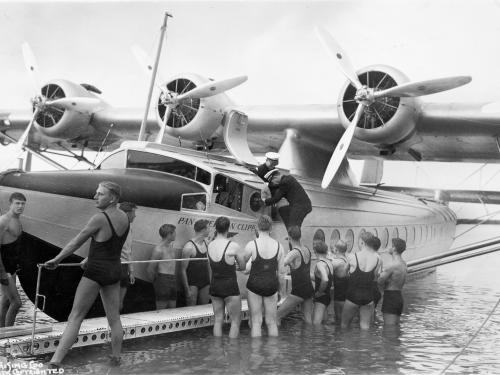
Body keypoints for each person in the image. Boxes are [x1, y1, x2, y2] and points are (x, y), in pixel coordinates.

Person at [44, 181, 129, 367]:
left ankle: (55, 361)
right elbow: (108, 244)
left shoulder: (99, 218)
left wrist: (56, 260)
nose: (95, 197)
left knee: (75, 317)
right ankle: (116, 358)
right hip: (115, 270)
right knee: (114, 318)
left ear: (113, 198)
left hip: (96, 271)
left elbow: (76, 242)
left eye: (100, 194)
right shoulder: (124, 217)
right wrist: (90, 257)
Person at [243, 215, 285, 337]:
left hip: (254, 284)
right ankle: (273, 353)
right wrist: (280, 291)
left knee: (256, 322)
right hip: (271, 285)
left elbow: (242, 265)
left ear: (257, 227)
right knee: (271, 322)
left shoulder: (251, 244)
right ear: (271, 228)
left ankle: (256, 355)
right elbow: (281, 273)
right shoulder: (279, 246)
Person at [207, 216, 245, 338]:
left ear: (216, 228)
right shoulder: (233, 246)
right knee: (235, 321)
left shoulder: (210, 245)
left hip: (215, 286)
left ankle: (217, 351)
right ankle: (232, 353)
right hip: (230, 286)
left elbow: (211, 266)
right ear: (228, 228)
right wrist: (237, 266)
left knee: (218, 320)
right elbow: (243, 266)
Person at [341, 232, 382, 330]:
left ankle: (345, 345)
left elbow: (343, 274)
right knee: (365, 327)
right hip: (368, 297)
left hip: (353, 296)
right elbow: (375, 277)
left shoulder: (352, 257)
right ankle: (365, 345)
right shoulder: (378, 258)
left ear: (362, 242)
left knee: (344, 325)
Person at [277, 226, 314, 324]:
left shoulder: (294, 253)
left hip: (299, 291)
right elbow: (299, 267)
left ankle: (276, 339)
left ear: (289, 237)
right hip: (309, 288)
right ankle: (310, 339)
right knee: (308, 320)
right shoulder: (306, 250)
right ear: (300, 236)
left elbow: (281, 265)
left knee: (276, 317)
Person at [0, 192, 26, 327]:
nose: (20, 206)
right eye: (17, 203)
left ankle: (1, 332)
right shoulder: (4, 220)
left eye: (22, 204)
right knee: (16, 302)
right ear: (10, 204)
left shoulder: (18, 220)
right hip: (3, 268)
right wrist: (2, 272)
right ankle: (7, 335)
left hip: (12, 267)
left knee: (6, 300)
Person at [180, 219, 211, 306]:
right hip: (192, 283)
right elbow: (182, 270)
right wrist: (187, 290)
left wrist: (211, 282)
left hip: (205, 282)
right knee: (191, 311)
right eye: (209, 228)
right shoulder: (189, 247)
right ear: (203, 230)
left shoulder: (207, 243)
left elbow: (208, 264)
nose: (210, 230)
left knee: (203, 310)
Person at [378, 238, 407, 325]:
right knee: (395, 327)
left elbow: (380, 281)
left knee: (389, 329)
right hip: (398, 296)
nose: (389, 248)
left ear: (394, 248)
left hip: (390, 297)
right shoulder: (403, 263)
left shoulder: (392, 265)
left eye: (390, 246)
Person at [148, 224, 178, 309]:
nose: (176, 234)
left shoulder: (171, 246)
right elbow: (150, 269)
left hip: (172, 278)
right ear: (169, 234)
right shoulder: (159, 249)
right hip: (163, 279)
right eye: (174, 233)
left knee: (172, 309)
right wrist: (157, 282)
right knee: (161, 311)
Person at [118, 202, 137, 312]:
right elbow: (128, 251)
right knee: (118, 301)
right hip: (121, 266)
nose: (135, 216)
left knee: (115, 301)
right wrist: (132, 271)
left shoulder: (126, 226)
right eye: (133, 213)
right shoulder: (126, 227)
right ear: (127, 213)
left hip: (120, 265)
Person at [312, 241, 334, 325]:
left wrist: (319, 292)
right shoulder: (329, 263)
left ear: (315, 251)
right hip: (327, 296)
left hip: (321, 297)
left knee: (316, 324)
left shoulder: (320, 264)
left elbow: (325, 279)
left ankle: (319, 338)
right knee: (324, 323)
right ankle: (327, 337)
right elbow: (323, 279)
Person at [331, 240, 350, 325]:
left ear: (336, 250)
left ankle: (339, 336)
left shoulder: (336, 262)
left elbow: (325, 272)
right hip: (348, 294)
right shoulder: (347, 259)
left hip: (339, 295)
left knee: (339, 319)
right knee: (345, 320)